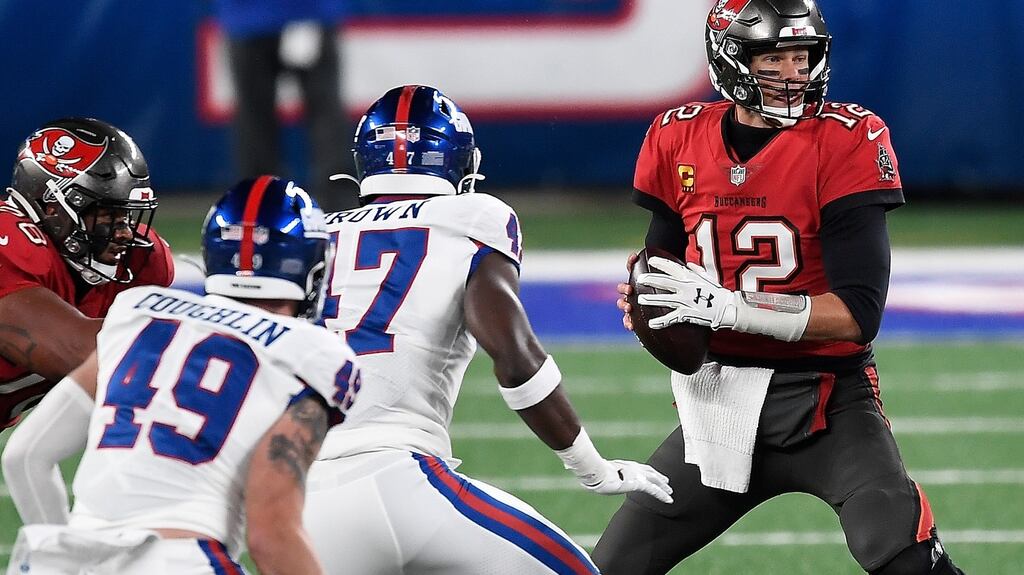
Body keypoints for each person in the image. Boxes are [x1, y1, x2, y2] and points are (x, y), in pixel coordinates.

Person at [592, 2, 965, 574]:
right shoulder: (677, 137)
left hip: (828, 401)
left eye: (801, 56)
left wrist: (729, 308)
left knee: (903, 559)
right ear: (730, 57)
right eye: (773, 58)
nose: (793, 73)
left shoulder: (848, 139)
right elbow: (660, 260)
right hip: (718, 403)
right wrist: (649, 300)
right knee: (610, 567)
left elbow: (858, 314)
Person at [302, 84, 673, 574]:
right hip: (397, 476)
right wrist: (592, 468)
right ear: (457, 160)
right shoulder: (472, 216)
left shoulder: (317, 232)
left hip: (301, 496)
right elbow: (515, 356)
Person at [2, 176, 361, 574]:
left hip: (72, 557)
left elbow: (25, 454)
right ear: (312, 268)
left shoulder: (137, 314)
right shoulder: (313, 352)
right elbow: (271, 536)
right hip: (180, 558)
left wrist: (65, 556)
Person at [0, 117, 174, 429]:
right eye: (107, 215)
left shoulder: (141, 261)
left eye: (127, 216)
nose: (123, 233)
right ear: (52, 207)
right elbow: (79, 352)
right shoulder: (11, 244)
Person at [212, 0, 356, 212]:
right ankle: (259, 205)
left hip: (295, 14)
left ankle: (260, 206)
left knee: (320, 117)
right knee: (260, 122)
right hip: (260, 17)